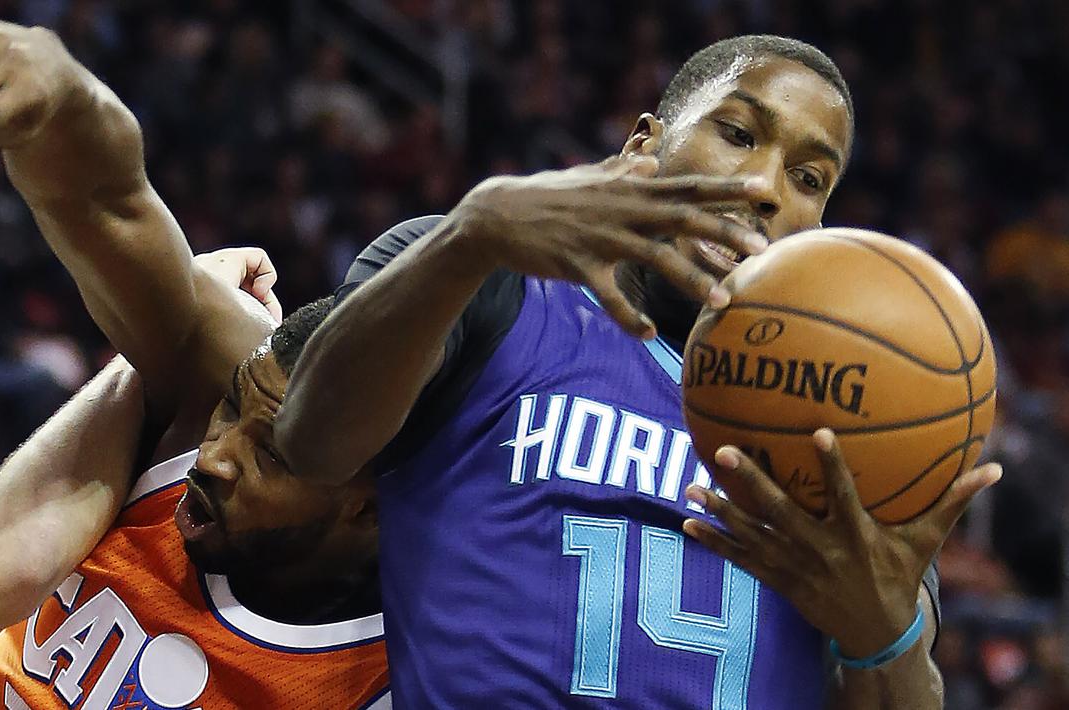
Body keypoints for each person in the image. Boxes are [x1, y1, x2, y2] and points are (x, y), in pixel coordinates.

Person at [274, 35, 1002, 708]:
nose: (763, 186)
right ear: (643, 144)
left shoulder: (849, 415)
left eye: (808, 177)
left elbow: (898, 686)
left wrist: (885, 639)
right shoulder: (482, 282)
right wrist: (470, 235)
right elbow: (313, 440)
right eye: (737, 134)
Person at [0, 17, 389, 708]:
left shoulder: (410, 662)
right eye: (231, 411)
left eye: (271, 457)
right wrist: (66, 100)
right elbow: (111, 202)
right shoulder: (236, 372)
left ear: (368, 507)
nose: (216, 456)